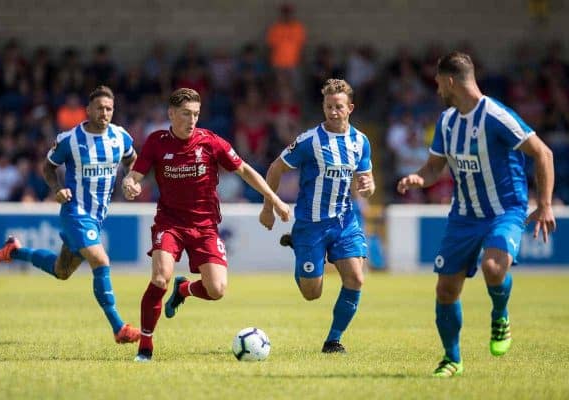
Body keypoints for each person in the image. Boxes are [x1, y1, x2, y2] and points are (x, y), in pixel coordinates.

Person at [397, 52, 556, 377]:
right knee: (445, 290)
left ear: (451, 80)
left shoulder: (497, 116)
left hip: (504, 210)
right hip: (463, 216)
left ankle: (500, 315)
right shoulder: (446, 121)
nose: (437, 87)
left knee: (493, 267)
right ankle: (452, 359)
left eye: (439, 81)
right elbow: (433, 168)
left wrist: (545, 204)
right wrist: (418, 178)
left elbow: (543, 152)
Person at [121, 87, 290, 362]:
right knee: (160, 276)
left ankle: (184, 289)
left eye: (196, 114)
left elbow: (245, 170)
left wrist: (274, 199)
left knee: (217, 290)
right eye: (186, 114)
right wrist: (130, 184)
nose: (192, 120)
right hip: (170, 223)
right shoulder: (156, 142)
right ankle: (145, 347)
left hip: (205, 226)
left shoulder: (210, 142)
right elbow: (135, 175)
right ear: (171, 114)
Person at [0, 85, 141, 344]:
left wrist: (131, 180)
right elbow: (48, 167)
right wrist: (57, 189)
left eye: (109, 108)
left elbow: (133, 160)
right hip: (75, 211)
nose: (105, 113)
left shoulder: (120, 136)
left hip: (97, 215)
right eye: (100, 108)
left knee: (62, 270)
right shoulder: (70, 139)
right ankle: (119, 328)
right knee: (100, 261)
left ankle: (15, 251)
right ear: (89, 110)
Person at [259, 79, 376, 353]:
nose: (333, 112)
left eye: (338, 107)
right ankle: (299, 246)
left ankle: (333, 341)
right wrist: (268, 208)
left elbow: (366, 180)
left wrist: (369, 187)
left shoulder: (361, 141)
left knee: (356, 278)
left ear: (350, 108)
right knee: (312, 293)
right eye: (328, 107)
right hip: (311, 225)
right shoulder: (310, 140)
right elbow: (276, 168)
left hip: (345, 221)